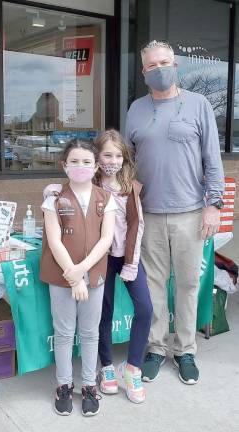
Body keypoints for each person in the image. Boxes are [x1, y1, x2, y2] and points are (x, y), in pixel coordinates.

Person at [125, 40, 224, 385]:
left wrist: (214, 204)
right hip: (148, 214)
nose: (159, 70)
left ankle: (185, 351)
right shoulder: (136, 109)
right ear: (143, 72)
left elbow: (213, 159)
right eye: (152, 66)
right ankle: (155, 347)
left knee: (187, 284)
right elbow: (127, 161)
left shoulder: (199, 105)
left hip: (190, 214)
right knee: (152, 285)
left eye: (165, 63)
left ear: (176, 65)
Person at [40, 138, 116, 417]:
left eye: (86, 161)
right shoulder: (54, 198)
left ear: (96, 166)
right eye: (74, 161)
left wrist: (81, 270)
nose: (80, 166)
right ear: (64, 165)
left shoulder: (105, 199)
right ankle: (63, 385)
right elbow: (54, 240)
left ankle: (88, 385)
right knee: (63, 333)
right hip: (61, 277)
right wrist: (73, 278)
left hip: (93, 276)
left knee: (89, 333)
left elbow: (106, 239)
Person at [94, 129, 153, 403]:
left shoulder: (131, 187)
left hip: (127, 256)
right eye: (107, 154)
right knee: (102, 311)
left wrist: (131, 263)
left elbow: (136, 225)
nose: (113, 160)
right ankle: (106, 367)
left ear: (125, 158)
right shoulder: (90, 185)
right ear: (97, 156)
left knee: (145, 307)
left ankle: (132, 369)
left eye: (118, 155)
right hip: (101, 258)